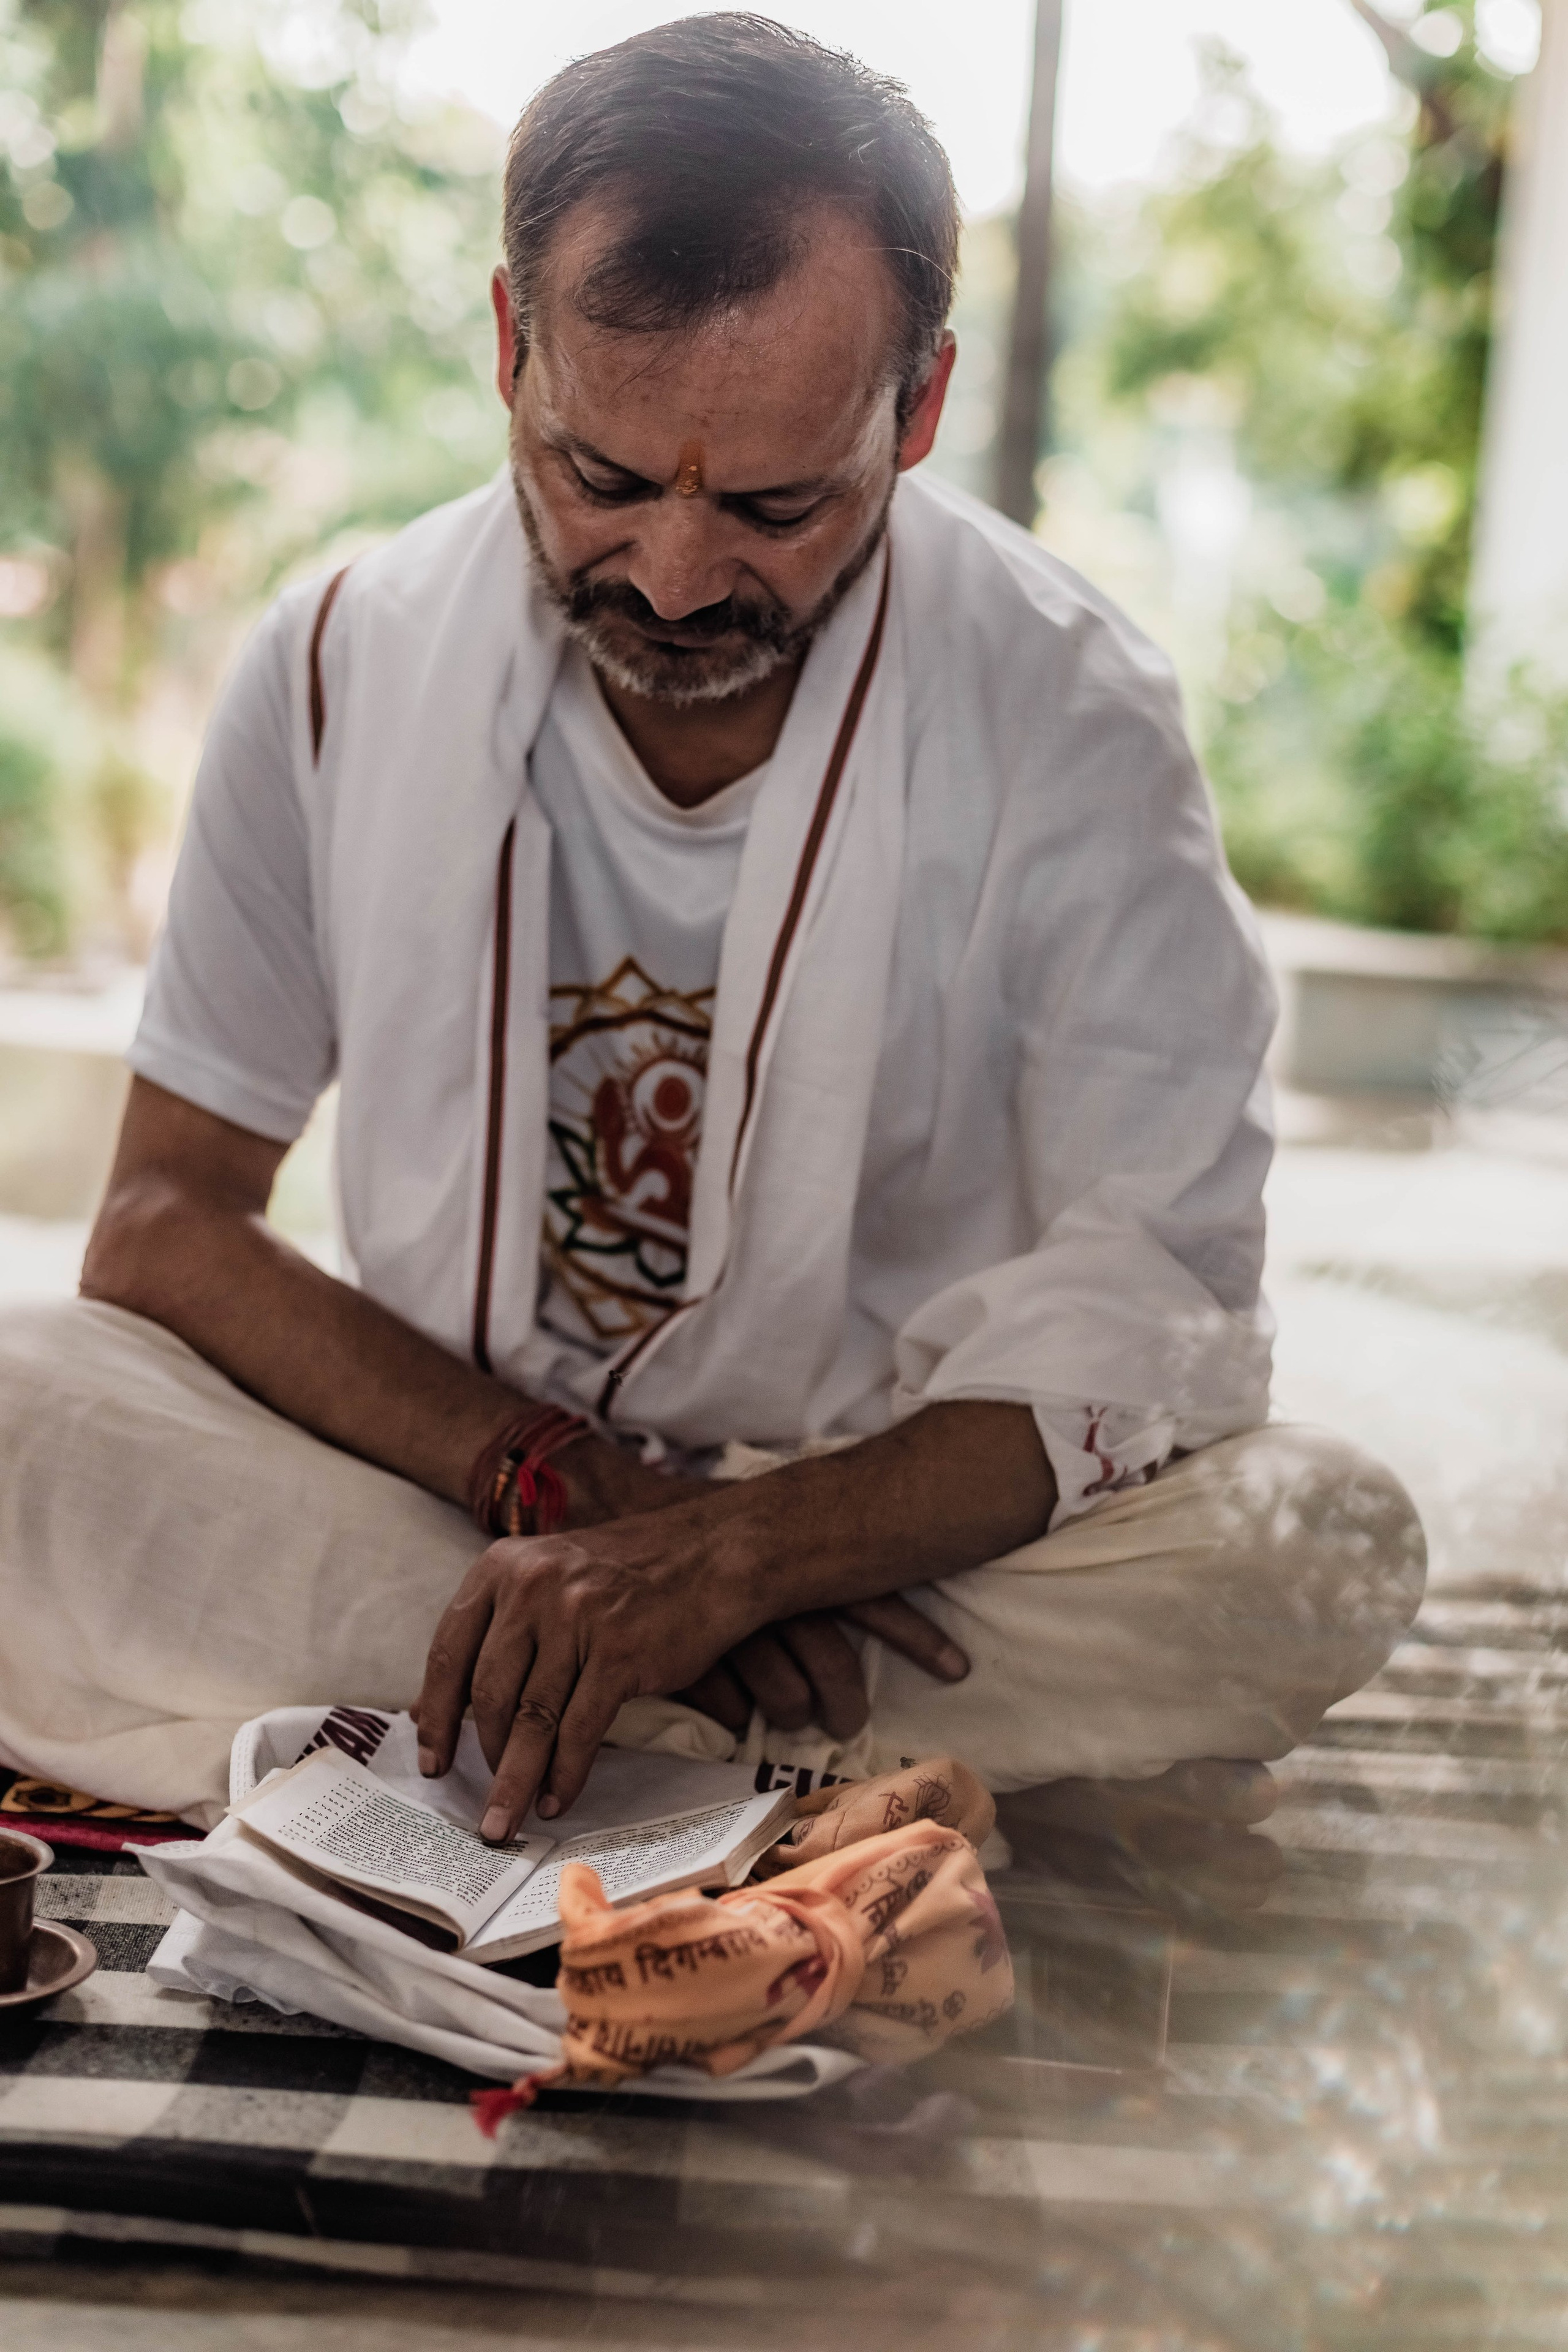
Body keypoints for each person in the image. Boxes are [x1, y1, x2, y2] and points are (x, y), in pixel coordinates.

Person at [0, 16, 1423, 1902]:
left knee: (1317, 1533)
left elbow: (1162, 1296)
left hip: (891, 1546)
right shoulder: (338, 657)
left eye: (772, 506)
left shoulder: (1074, 715)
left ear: (912, 414)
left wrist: (742, 1561)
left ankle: (500, 1745)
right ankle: (774, 1766)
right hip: (472, 1506)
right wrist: (569, 1499)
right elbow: (164, 1223)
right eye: (600, 476)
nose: (673, 577)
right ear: (511, 348)